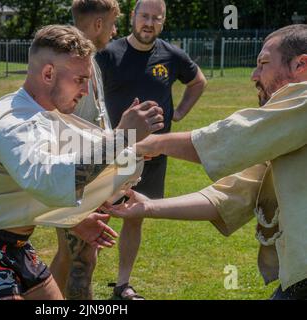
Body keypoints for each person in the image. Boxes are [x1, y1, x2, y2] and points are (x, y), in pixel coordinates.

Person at [0, 24, 162, 300]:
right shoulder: (14, 124)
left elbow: (28, 186)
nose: (84, 90)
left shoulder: (44, 115)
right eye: (80, 80)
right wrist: (120, 138)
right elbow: (48, 181)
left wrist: (74, 220)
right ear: (48, 73)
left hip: (15, 246)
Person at [104, 24, 307, 300]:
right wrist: (147, 206)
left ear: (301, 65)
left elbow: (235, 138)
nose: (253, 75)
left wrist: (148, 143)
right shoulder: (284, 134)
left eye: (263, 64)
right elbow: (232, 193)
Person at [50, 0, 164, 300]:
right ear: (98, 25)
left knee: (71, 256)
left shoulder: (87, 61)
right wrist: (122, 143)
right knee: (81, 260)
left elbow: (90, 126)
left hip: (85, 172)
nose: (115, 31)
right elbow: (68, 133)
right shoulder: (73, 66)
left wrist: (129, 145)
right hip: (78, 175)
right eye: (113, 23)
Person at [96, 0, 207, 299]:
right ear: (133, 17)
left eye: (156, 19)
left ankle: (122, 285)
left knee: (134, 215)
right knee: (92, 214)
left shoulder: (171, 55)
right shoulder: (108, 55)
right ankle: (80, 286)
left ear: (163, 21)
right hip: (111, 152)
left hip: (152, 158)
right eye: (144, 16)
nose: (149, 23)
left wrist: (179, 113)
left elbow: (198, 82)